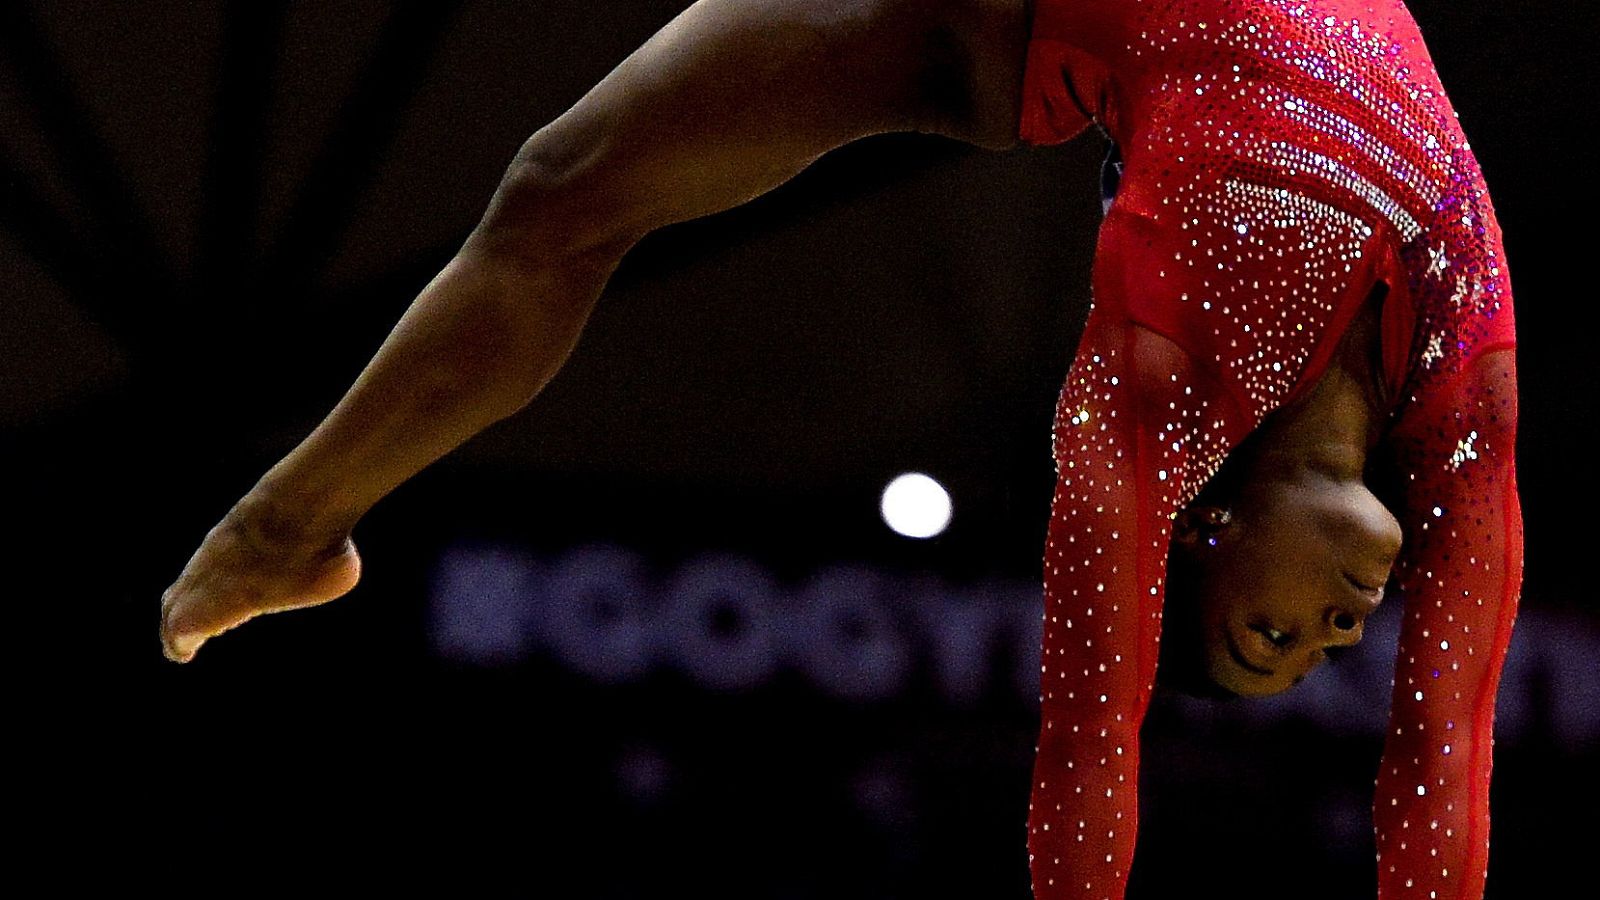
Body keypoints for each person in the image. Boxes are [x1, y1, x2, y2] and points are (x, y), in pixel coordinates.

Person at [159, 1, 1521, 898]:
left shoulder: (1152, 391)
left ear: (1205, 531)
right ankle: (292, 532)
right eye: (1296, 655)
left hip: (985, 19)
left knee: (565, 183)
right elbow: (1444, 758)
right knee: (559, 189)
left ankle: (284, 523)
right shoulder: (1465, 385)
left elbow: (1088, 738)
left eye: (1264, 642)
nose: (1339, 642)